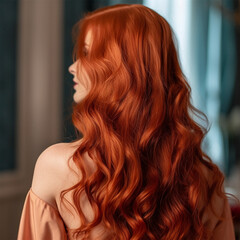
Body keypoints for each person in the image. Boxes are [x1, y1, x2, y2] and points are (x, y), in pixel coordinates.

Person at [17, 4, 237, 240]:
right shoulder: (205, 178)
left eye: (88, 55)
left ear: (122, 69)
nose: (73, 67)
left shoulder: (57, 166)